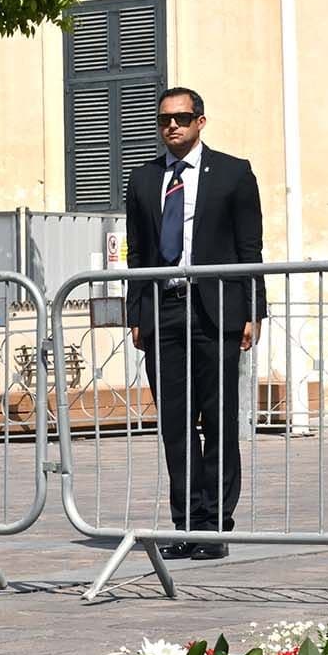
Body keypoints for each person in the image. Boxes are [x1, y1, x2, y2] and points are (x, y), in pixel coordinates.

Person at [123, 87, 264, 561]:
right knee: (176, 425)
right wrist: (137, 314)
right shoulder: (143, 181)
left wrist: (252, 310)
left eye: (182, 117)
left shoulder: (232, 173)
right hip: (164, 312)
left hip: (216, 310)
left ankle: (215, 526)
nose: (172, 126)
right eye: (164, 119)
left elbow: (250, 249)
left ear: (201, 121)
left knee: (219, 420)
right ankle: (186, 523)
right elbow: (138, 253)